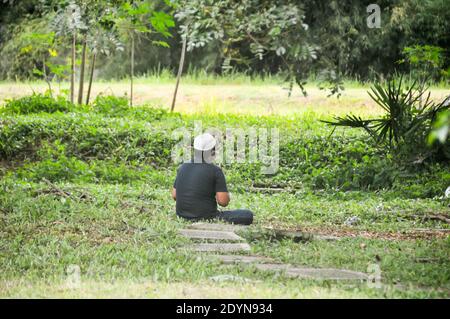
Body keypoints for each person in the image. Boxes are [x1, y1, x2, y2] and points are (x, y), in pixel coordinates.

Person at [171, 133, 254, 225]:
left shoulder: (183, 167)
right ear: (212, 151)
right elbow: (223, 202)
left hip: (182, 215)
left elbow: (174, 195)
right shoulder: (215, 170)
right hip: (207, 217)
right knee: (247, 215)